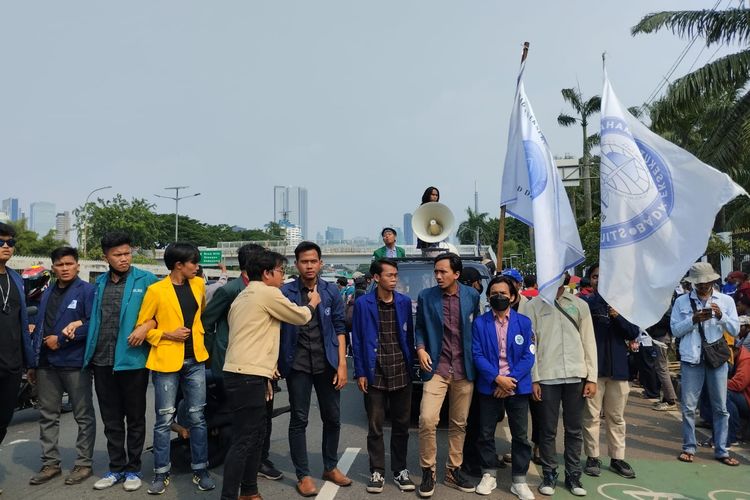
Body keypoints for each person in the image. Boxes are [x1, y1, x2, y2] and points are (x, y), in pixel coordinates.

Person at [221, 250, 318, 500]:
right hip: (249, 376)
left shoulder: (243, 296)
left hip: (242, 373)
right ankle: (231, 496)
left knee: (255, 436)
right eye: (281, 271)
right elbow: (299, 316)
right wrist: (313, 303)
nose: (283, 277)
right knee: (244, 440)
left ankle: (249, 491)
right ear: (267, 273)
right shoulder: (267, 292)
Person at [136, 242, 215, 494]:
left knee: (197, 417)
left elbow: (200, 315)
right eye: (193, 262)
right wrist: (168, 334)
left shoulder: (199, 285)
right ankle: (161, 473)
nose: (197, 266)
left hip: (195, 360)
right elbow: (144, 326)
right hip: (166, 360)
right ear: (178, 265)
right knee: (164, 419)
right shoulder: (156, 291)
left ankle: (201, 470)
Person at [82, 232, 158, 491]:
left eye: (127, 253)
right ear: (106, 257)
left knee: (135, 417)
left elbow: (164, 313)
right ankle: (116, 468)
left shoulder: (146, 280)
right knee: (111, 418)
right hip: (102, 360)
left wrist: (148, 325)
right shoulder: (100, 283)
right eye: (118, 255)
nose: (124, 259)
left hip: (132, 360)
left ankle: (134, 469)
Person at [201, 244, 284, 481]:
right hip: (234, 364)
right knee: (241, 419)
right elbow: (207, 323)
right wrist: (213, 354)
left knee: (263, 417)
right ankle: (240, 464)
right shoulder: (230, 290)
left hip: (263, 365)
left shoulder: (267, 290)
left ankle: (259, 460)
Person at [279, 241, 350, 497]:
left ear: (321, 263)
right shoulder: (285, 292)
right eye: (304, 261)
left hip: (327, 363)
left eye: (313, 261)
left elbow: (341, 328)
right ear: (296, 264)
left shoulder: (331, 292)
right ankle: (303, 475)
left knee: (332, 417)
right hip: (297, 364)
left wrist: (342, 364)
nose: (309, 266)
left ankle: (330, 467)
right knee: (299, 419)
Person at [522, 276, 597, 497]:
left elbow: (589, 342)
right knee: (547, 430)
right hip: (547, 376)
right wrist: (534, 378)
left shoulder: (579, 305)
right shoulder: (533, 305)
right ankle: (549, 473)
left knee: (574, 430)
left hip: (576, 375)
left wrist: (591, 377)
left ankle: (573, 475)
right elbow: (530, 344)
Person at [28, 247, 96, 486]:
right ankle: (50, 463)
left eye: (69, 264)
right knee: (47, 415)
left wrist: (65, 338)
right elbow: (40, 324)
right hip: (46, 363)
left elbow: (93, 325)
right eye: (60, 264)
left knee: (83, 415)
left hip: (74, 362)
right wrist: (33, 363)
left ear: (77, 265)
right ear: (53, 268)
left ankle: (83, 463)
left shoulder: (88, 290)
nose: (65, 268)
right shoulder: (47, 293)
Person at [415, 252, 480, 497]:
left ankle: (453, 471)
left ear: (457, 274)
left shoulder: (472, 296)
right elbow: (420, 326)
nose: (438, 276)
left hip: (464, 369)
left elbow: (477, 327)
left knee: (458, 423)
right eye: (436, 272)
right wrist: (420, 348)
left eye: (443, 272)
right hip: (436, 368)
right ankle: (427, 471)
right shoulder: (426, 296)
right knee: (427, 419)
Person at [351, 258, 416, 494]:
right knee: (375, 426)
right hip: (374, 371)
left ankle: (400, 470)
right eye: (390, 275)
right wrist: (360, 372)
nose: (394, 279)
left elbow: (408, 337)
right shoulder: (363, 304)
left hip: (401, 370)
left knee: (401, 425)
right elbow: (357, 339)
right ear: (377, 278)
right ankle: (377, 470)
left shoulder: (404, 302)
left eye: (396, 275)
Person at [471, 275, 536, 499]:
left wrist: (509, 380)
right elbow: (477, 355)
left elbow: (529, 356)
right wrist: (497, 379)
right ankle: (488, 474)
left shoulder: (524, 323)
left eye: (503, 294)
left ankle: (519, 480)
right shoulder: (480, 323)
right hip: (490, 385)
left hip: (517, 387)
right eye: (494, 294)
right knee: (486, 433)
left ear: (513, 297)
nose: (499, 297)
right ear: (488, 297)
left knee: (520, 435)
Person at [671, 262, 740, 466]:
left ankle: (721, 449)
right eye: (698, 283)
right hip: (691, 358)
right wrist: (693, 320)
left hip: (716, 359)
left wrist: (721, 316)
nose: (702, 286)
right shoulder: (682, 302)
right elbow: (675, 330)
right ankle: (689, 447)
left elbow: (735, 330)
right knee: (689, 407)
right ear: (692, 283)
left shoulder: (726, 301)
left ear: (712, 280)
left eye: (705, 282)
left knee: (720, 407)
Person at [580, 264, 639, 480]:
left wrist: (616, 315)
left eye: (604, 277)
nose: (599, 280)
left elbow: (633, 332)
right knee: (591, 416)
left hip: (619, 370)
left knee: (616, 417)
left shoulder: (624, 305)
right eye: (595, 277)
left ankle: (617, 458)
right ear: (590, 281)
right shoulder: (585, 304)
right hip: (594, 370)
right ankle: (592, 457)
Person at [0, 224, 36, 494]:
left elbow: (23, 323)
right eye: (0, 241)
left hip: (12, 365)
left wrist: (30, 361)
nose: (6, 246)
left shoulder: (15, 278)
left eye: (10, 242)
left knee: (2, 422)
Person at [727, 324, 749, 446]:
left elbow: (738, 384)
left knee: (724, 393)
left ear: (734, 350)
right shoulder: (738, 357)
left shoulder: (746, 360)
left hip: (747, 400)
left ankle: (733, 433)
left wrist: (719, 382)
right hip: (744, 397)